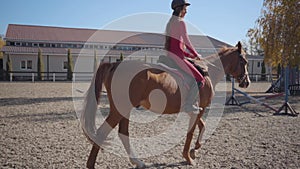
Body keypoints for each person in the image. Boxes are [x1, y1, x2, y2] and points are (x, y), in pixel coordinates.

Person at [165, 0, 205, 112]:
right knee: (200, 79)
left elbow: (177, 47)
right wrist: (196, 54)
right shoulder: (181, 22)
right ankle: (189, 105)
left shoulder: (170, 23)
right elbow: (186, 41)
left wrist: (190, 55)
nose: (186, 12)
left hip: (172, 56)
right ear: (180, 9)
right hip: (178, 58)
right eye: (185, 9)